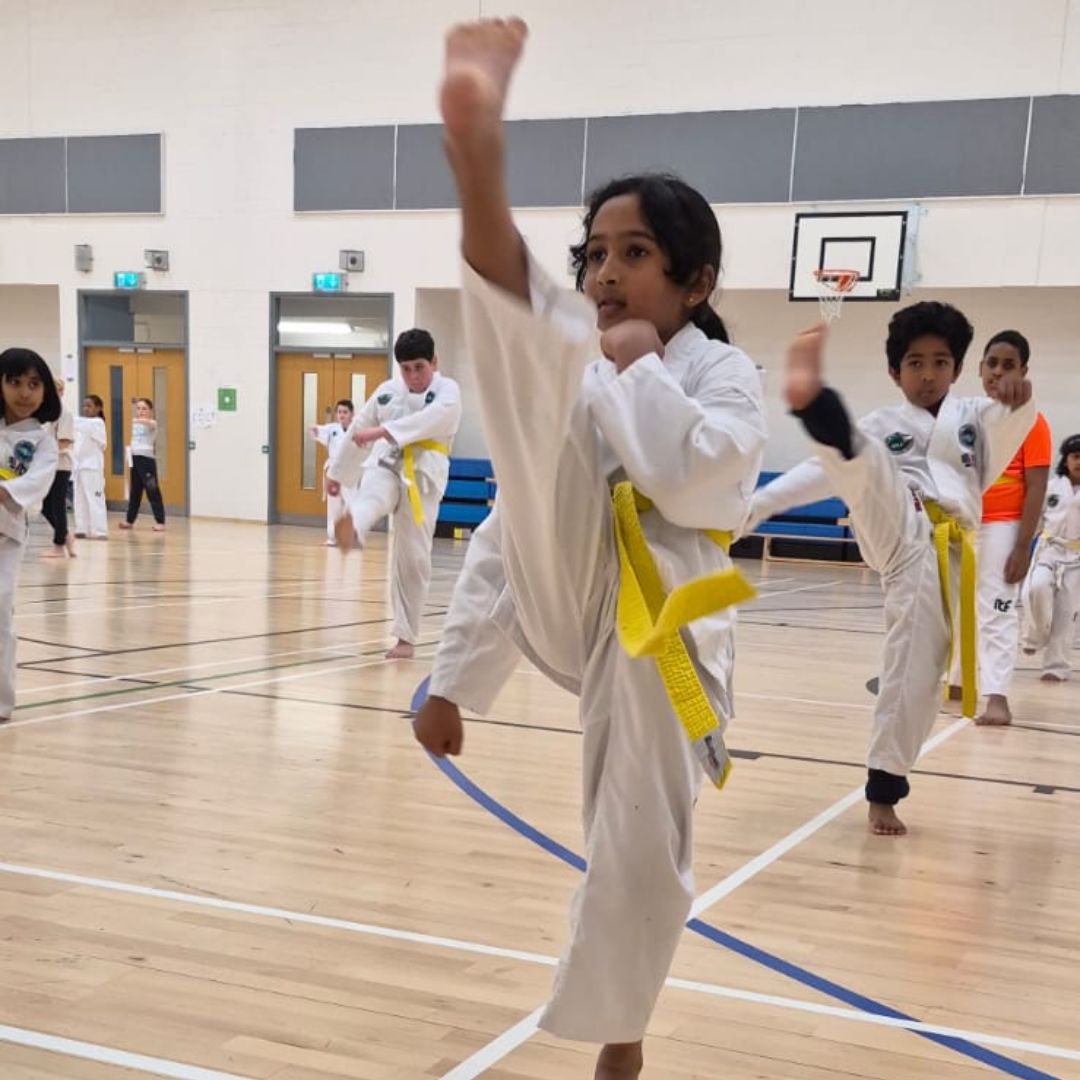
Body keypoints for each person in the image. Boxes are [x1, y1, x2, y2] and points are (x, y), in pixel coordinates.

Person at [415, 18, 766, 1078]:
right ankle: (482, 181)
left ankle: (625, 1037)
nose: (608, 272)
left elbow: (694, 481)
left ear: (695, 281)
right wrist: (452, 681)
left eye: (636, 254)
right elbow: (511, 517)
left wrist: (639, 367)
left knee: (636, 849)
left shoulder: (721, 376)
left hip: (663, 634)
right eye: (594, 254)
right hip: (565, 588)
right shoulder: (591, 357)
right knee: (543, 382)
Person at [750, 303, 1034, 836]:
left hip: (946, 555)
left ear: (957, 367)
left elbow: (1013, 422)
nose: (928, 375)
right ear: (894, 372)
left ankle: (885, 788)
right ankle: (816, 405)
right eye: (915, 364)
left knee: (915, 674)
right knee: (869, 461)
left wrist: (1021, 397)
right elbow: (822, 472)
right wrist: (758, 507)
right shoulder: (883, 424)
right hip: (895, 528)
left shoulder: (977, 416)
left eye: (940, 362)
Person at [327, 330, 462, 659]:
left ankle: (405, 638)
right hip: (386, 463)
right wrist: (337, 473)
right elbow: (359, 428)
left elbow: (432, 419)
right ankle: (351, 528)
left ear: (434, 362)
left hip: (425, 475)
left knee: (413, 558)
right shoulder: (388, 392)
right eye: (406, 369)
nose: (413, 376)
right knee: (374, 498)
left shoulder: (448, 390)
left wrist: (384, 431)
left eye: (419, 367)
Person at [947, 331, 1050, 725]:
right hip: (962, 524)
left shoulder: (1032, 422)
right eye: (992, 364)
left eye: (1009, 366)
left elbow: (1037, 485)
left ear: (1023, 372)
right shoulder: (961, 416)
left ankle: (997, 696)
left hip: (1004, 526)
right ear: (979, 369)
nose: (998, 373)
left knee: (997, 608)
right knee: (954, 607)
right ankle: (957, 682)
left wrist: (1023, 546)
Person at [0, 348, 61, 721]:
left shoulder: (41, 441)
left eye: (34, 384)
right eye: (15, 382)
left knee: (1, 610)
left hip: (7, 536)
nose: (25, 393)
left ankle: (2, 702)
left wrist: (6, 493)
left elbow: (36, 483)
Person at [1021, 433, 1080, 681]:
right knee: (1035, 588)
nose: (1079, 462)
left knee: (1067, 611)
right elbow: (1035, 518)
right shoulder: (1051, 487)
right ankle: (1034, 635)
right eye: (1076, 456)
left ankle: (1056, 666)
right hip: (1048, 549)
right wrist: (1021, 548)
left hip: (1077, 557)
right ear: (1066, 460)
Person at [309, 399, 354, 545]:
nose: (342, 415)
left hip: (350, 471)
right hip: (333, 471)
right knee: (333, 505)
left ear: (351, 413)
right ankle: (332, 536)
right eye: (339, 412)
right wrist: (314, 430)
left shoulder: (357, 429)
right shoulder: (332, 428)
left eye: (345, 412)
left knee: (351, 504)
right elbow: (316, 431)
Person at [40, 377, 75, 558]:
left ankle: (59, 544)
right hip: (49, 465)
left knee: (57, 505)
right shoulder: (49, 412)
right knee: (46, 506)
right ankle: (65, 535)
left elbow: (64, 441)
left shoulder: (64, 413)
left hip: (60, 464)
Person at [119, 398, 165, 531]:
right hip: (135, 460)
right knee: (135, 492)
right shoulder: (135, 424)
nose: (141, 411)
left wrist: (135, 418)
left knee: (152, 490)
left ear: (150, 411)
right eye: (138, 408)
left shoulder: (152, 423)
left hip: (147, 461)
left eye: (144, 409)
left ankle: (160, 521)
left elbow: (147, 423)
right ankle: (129, 520)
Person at [73, 394, 108, 540]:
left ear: (98, 408)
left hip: (92, 467)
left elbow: (74, 421)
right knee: (79, 498)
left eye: (89, 406)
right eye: (84, 406)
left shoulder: (97, 423)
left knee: (95, 498)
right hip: (79, 467)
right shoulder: (83, 424)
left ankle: (100, 530)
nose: (85, 409)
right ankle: (81, 528)